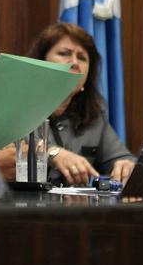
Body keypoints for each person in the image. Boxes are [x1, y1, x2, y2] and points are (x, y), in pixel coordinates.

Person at [26, 22, 135, 185]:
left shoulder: (93, 118)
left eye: (82, 57)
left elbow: (121, 158)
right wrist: (53, 153)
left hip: (74, 208)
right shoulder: (18, 105)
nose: (75, 62)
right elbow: (7, 150)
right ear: (41, 61)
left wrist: (127, 166)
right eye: (64, 53)